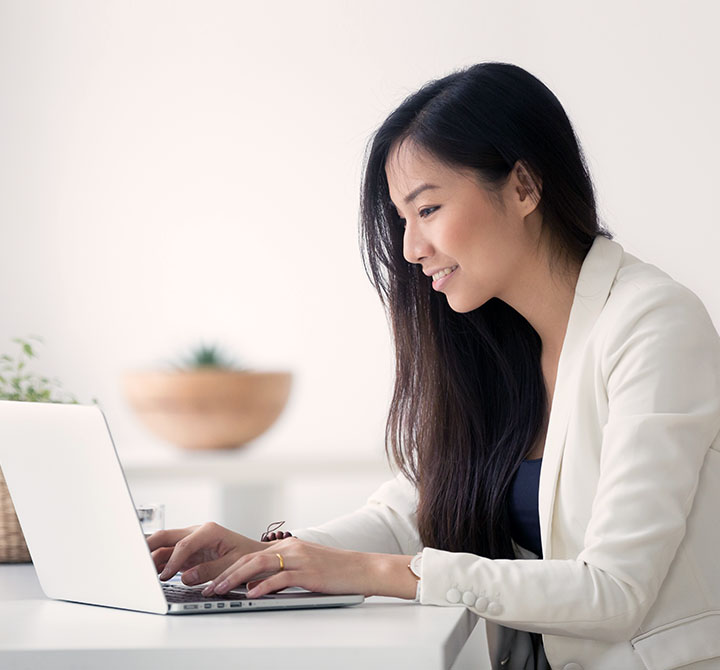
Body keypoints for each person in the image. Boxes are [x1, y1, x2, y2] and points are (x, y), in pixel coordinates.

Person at [148, 62, 720, 669]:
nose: (410, 249)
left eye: (427, 210)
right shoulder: (500, 340)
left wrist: (371, 573)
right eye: (401, 219)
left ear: (524, 187)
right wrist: (281, 555)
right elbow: (412, 510)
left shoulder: (653, 324)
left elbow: (615, 591)